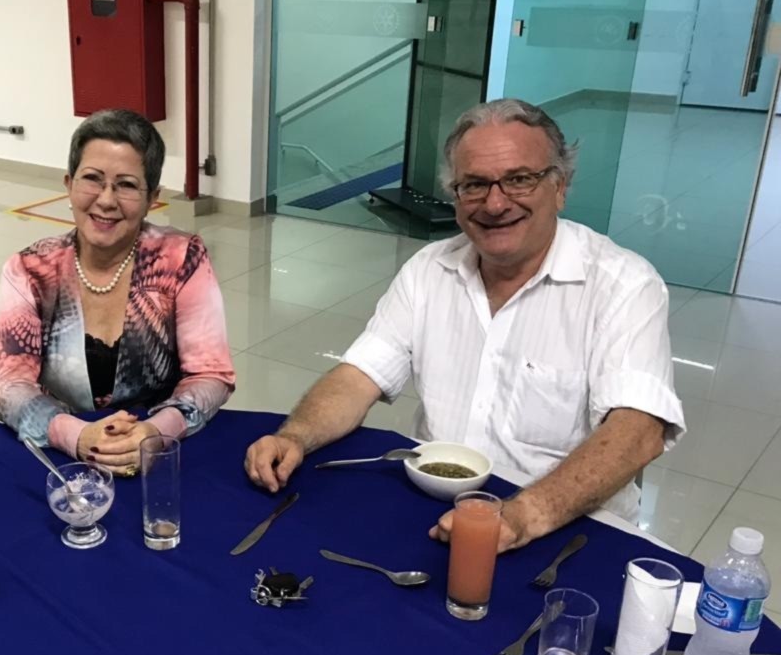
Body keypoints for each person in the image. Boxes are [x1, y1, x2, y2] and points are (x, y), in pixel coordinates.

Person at [244, 99, 685, 551]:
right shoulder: (428, 269)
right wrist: (296, 436)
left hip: (569, 529)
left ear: (560, 186)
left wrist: (519, 518)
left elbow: (638, 430)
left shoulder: (624, 285)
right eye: (474, 184)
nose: (495, 203)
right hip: (437, 513)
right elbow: (360, 376)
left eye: (519, 179)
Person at [0, 108, 235, 473]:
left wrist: (156, 431)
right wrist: (75, 435)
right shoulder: (30, 270)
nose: (106, 200)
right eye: (92, 179)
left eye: (127, 185)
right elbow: (8, 381)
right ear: (69, 184)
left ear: (153, 198)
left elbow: (211, 375)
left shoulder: (181, 258)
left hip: (158, 454)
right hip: (60, 458)